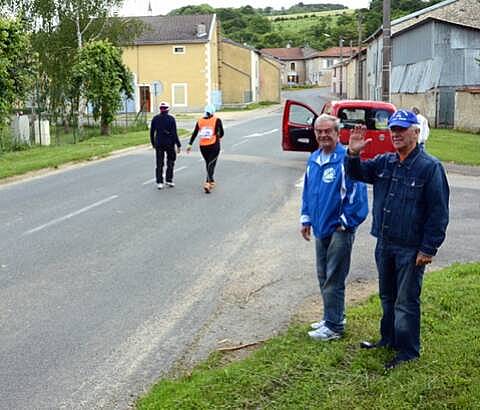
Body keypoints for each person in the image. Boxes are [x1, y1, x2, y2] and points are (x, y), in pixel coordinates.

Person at [345, 109, 449, 370]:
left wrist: (428, 248)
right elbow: (358, 173)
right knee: (387, 296)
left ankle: (408, 351)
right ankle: (388, 339)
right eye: (393, 129)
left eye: (402, 129)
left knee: (406, 301)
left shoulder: (430, 167)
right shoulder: (385, 162)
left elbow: (439, 212)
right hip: (385, 243)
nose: (396, 133)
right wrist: (353, 154)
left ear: (416, 132)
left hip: (411, 248)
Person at [301, 113, 368, 341]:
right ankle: (331, 316)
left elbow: (358, 194)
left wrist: (346, 223)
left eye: (327, 131)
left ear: (337, 133)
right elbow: (309, 192)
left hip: (339, 229)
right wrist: (306, 219)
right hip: (320, 227)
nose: (323, 135)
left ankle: (335, 327)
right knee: (323, 275)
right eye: (319, 131)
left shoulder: (345, 158)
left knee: (334, 277)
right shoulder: (314, 159)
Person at [186, 104, 224, 193]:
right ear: (213, 112)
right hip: (214, 145)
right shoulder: (217, 120)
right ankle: (207, 183)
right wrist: (218, 135)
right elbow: (222, 133)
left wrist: (190, 144)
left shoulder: (200, 121)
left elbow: (195, 133)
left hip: (203, 146)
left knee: (208, 163)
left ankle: (212, 180)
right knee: (211, 163)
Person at [150, 101, 181, 189]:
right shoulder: (171, 119)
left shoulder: (155, 118)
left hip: (158, 143)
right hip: (169, 143)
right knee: (170, 161)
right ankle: (169, 180)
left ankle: (159, 182)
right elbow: (174, 133)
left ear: (160, 109)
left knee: (159, 163)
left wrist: (153, 143)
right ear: (168, 109)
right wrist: (178, 145)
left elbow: (152, 132)